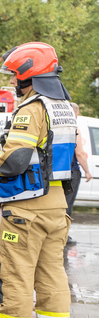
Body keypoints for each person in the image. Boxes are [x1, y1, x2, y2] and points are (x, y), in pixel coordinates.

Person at [0, 42, 75, 318]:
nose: (14, 82)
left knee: (14, 275)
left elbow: (15, 160)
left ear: (28, 75)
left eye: (15, 75)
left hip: (28, 207)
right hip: (57, 204)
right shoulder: (64, 108)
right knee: (52, 275)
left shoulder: (32, 109)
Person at [64, 102, 93, 245]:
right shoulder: (74, 128)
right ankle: (63, 236)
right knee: (67, 205)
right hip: (72, 172)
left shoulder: (58, 127)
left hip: (56, 172)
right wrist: (87, 171)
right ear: (75, 113)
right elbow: (80, 153)